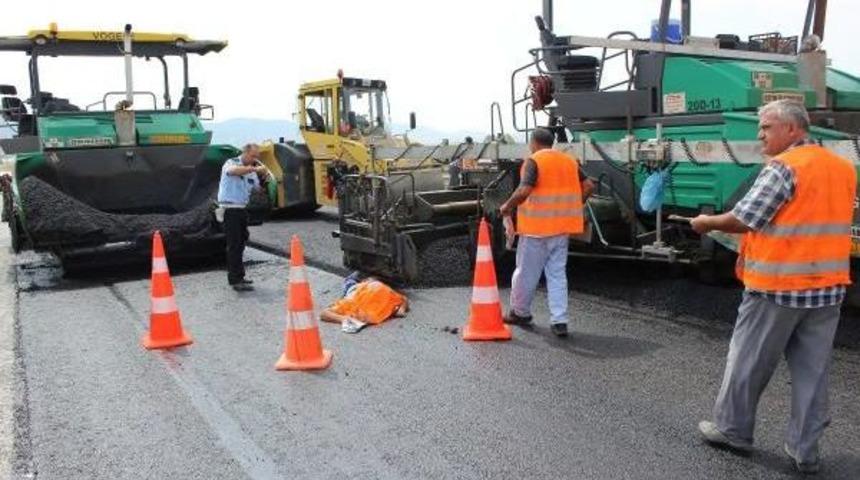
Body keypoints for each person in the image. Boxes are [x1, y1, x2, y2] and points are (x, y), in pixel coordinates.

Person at [691, 100, 856, 474]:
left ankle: (732, 430)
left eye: (766, 127)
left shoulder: (784, 167)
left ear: (792, 129)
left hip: (777, 287)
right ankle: (805, 451)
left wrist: (706, 222)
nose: (760, 135)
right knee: (813, 373)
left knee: (748, 361)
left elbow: (745, 218)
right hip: (828, 287)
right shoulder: (842, 168)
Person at [499, 127, 594, 337]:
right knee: (557, 274)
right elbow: (589, 186)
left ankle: (520, 313)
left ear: (533, 143)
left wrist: (507, 206)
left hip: (536, 230)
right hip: (561, 230)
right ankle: (560, 321)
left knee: (525, 274)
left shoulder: (534, 161)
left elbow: (524, 190)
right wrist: (574, 205)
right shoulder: (569, 161)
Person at [217, 143, 268, 291]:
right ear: (244, 152)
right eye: (253, 156)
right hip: (230, 209)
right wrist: (255, 169)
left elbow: (257, 189)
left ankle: (240, 275)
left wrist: (264, 178)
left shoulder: (251, 172)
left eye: (257, 157)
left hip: (241, 209)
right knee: (234, 245)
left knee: (241, 243)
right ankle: (235, 279)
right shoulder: (231, 163)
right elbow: (233, 171)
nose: (255, 159)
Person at [320, 272, 409, 328]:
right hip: (373, 287)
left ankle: (367, 276)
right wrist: (401, 309)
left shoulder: (352, 303)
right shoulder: (379, 309)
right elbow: (403, 299)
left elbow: (324, 314)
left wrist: (343, 319)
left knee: (351, 280)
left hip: (367, 287)